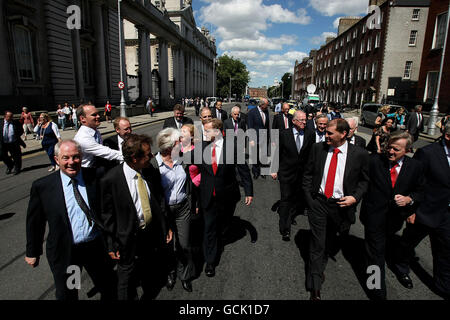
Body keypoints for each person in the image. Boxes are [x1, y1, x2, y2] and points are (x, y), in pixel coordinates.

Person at [25, 140, 116, 300]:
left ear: (81, 157)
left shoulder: (95, 177)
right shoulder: (44, 187)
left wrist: (113, 242)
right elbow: (35, 222)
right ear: (56, 159)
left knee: (108, 287)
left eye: (75, 157)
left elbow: (108, 212)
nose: (71, 162)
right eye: (65, 158)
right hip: (68, 252)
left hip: (95, 249)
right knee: (70, 291)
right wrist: (33, 251)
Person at [98, 134, 172, 300]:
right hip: (126, 238)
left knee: (147, 269)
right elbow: (107, 216)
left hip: (148, 234)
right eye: (147, 154)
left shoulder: (149, 171)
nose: (151, 156)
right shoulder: (110, 180)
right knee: (126, 279)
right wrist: (112, 243)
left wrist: (164, 226)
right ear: (134, 158)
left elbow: (158, 199)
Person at [302, 119, 369, 300]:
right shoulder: (318, 149)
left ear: (344, 134)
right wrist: (310, 199)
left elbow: (365, 181)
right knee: (317, 243)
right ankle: (315, 286)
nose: (326, 135)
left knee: (329, 241)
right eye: (325, 132)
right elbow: (307, 174)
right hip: (319, 203)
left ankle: (320, 266)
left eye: (330, 133)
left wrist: (355, 197)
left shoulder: (360, 154)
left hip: (341, 206)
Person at [360, 132, 424, 300]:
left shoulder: (415, 167)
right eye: (389, 147)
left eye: (396, 149)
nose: (390, 152)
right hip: (373, 216)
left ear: (408, 150)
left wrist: (410, 199)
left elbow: (420, 191)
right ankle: (376, 291)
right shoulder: (374, 161)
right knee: (375, 255)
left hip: (395, 219)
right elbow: (361, 182)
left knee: (383, 249)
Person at [394, 123, 450, 299]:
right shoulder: (428, 153)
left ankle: (443, 287)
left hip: (446, 215)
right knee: (408, 243)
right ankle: (401, 267)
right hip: (424, 210)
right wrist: (411, 210)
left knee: (445, 251)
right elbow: (412, 182)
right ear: (448, 136)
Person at [195, 119, 253, 277]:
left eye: (207, 131)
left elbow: (243, 169)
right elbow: (191, 169)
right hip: (207, 196)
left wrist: (249, 191)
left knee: (222, 227)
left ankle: (222, 234)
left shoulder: (232, 146)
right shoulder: (200, 147)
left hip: (226, 195)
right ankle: (210, 261)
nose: (204, 134)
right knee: (209, 228)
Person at [152, 128, 196, 293]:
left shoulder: (182, 160)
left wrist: (192, 200)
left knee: (184, 245)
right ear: (170, 146)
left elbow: (189, 182)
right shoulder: (154, 165)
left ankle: (185, 276)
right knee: (168, 246)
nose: (182, 144)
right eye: (179, 142)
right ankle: (170, 273)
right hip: (164, 212)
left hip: (183, 207)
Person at [270, 111, 315, 241]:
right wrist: (274, 169)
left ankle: (290, 216)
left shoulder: (310, 134)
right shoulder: (284, 134)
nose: (304, 122)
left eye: (305, 120)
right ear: (294, 121)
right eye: (301, 120)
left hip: (302, 175)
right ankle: (285, 228)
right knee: (286, 199)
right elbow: (276, 152)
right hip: (286, 173)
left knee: (296, 200)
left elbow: (311, 155)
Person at [74, 103, 123, 178]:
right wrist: (130, 156)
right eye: (94, 115)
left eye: (98, 113)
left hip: (97, 169)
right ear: (82, 119)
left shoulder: (95, 130)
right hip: (87, 174)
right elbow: (106, 152)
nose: (98, 116)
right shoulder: (82, 138)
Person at [247, 98, 270, 179]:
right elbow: (250, 126)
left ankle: (263, 172)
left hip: (264, 138)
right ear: (262, 105)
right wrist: (251, 139)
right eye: (267, 105)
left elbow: (267, 126)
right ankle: (256, 172)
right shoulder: (252, 113)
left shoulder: (266, 111)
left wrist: (268, 137)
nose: (268, 106)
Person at [1, 110, 25, 175]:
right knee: (2, 155)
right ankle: (10, 165)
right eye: (9, 116)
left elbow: (21, 130)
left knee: (16, 156)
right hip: (3, 143)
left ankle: (17, 169)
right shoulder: (1, 123)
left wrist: (16, 135)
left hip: (13, 142)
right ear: (5, 116)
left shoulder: (16, 123)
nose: (11, 118)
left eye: (11, 116)